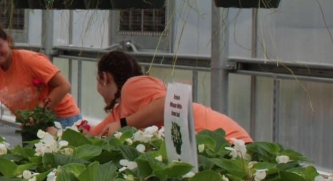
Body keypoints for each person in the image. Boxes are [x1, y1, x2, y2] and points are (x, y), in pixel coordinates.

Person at [90, 51, 252, 142]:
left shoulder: (133, 85)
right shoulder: (121, 111)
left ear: (105, 78)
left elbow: (171, 103)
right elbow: (91, 136)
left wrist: (124, 124)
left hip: (230, 142)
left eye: (97, 81)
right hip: (210, 148)